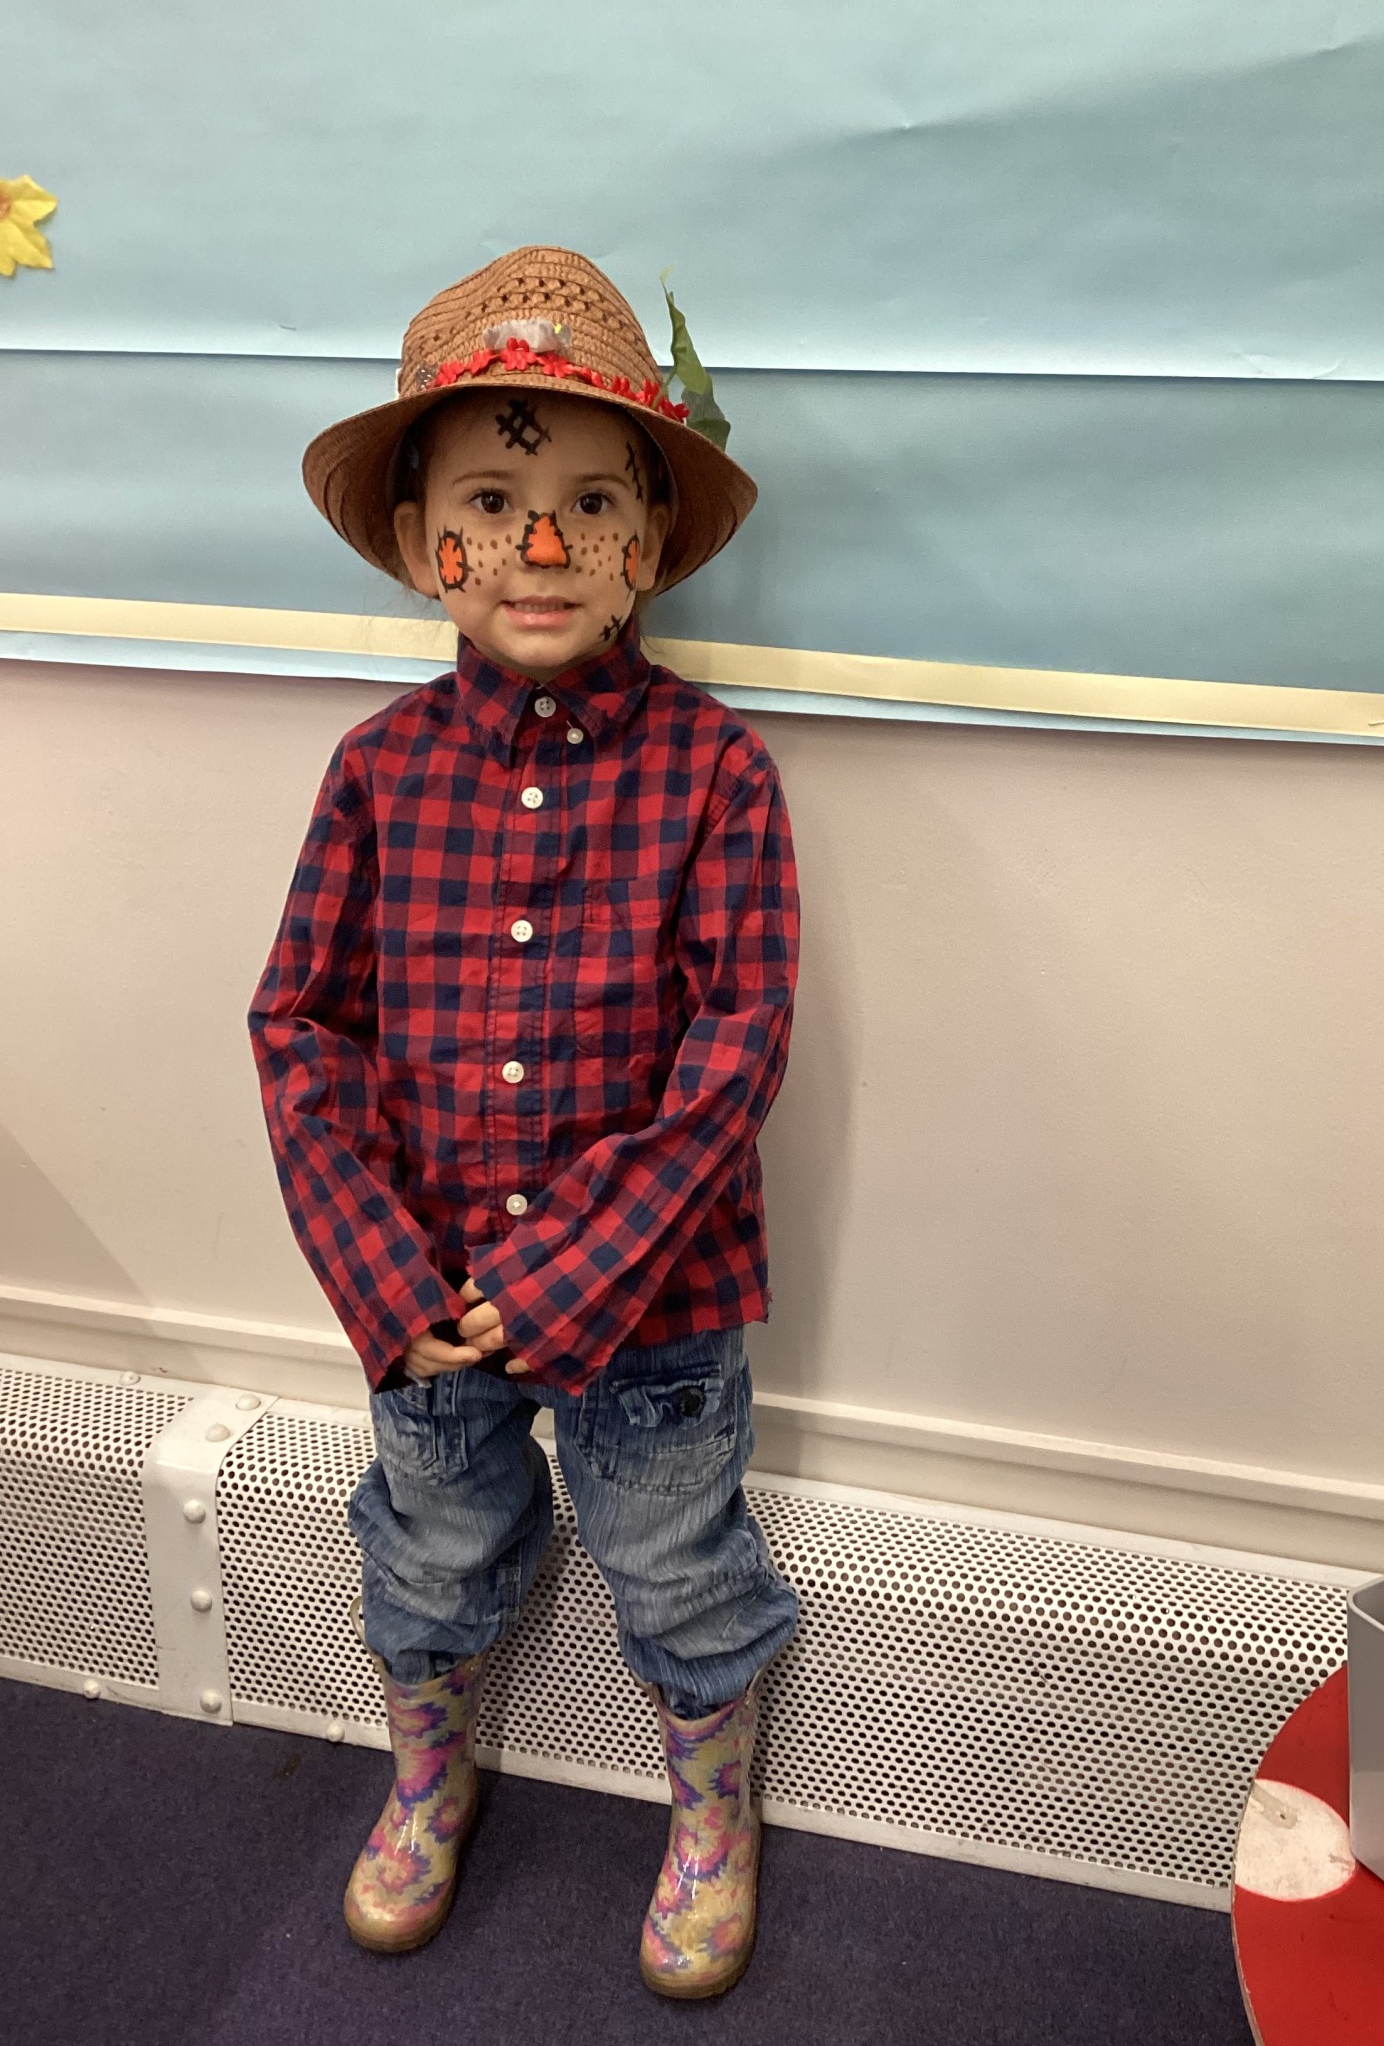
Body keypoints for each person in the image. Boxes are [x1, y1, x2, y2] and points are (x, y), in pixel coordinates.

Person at [247, 245, 801, 1997]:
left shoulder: (717, 773)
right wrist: (380, 1270)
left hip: (658, 1312)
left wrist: (574, 1268)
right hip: (423, 1306)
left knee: (679, 1564)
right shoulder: (374, 773)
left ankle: (714, 1811)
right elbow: (299, 1025)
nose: (540, 548)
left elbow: (741, 1042)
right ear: (428, 546)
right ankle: (431, 1771)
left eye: (582, 505)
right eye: (494, 499)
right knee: (426, 1549)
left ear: (647, 542)